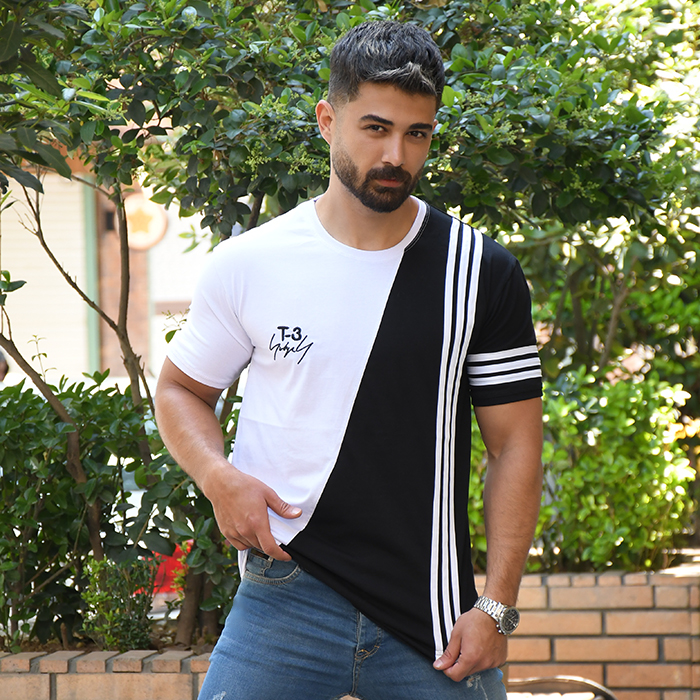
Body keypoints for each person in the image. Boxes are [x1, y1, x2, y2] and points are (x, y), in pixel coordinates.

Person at [155, 20, 543, 700]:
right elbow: (181, 389)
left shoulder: (480, 271)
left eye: (417, 134)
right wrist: (218, 477)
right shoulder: (251, 263)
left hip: (433, 616)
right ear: (327, 120)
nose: (396, 154)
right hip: (285, 593)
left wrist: (497, 607)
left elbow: (515, 445)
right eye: (375, 128)